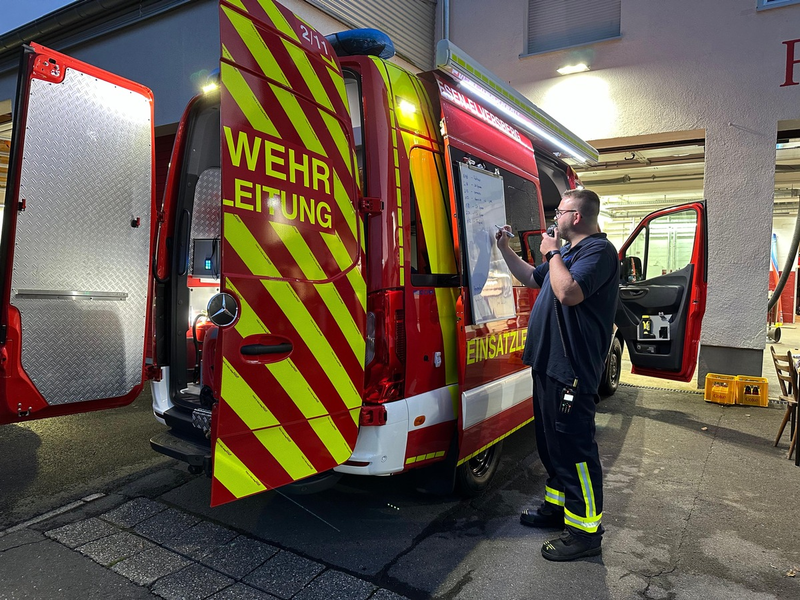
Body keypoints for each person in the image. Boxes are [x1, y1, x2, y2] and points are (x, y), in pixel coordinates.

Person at [495, 188, 619, 561]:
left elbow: (569, 293)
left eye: (560, 211)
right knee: (551, 446)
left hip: (572, 372)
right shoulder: (567, 254)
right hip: (548, 366)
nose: (555, 217)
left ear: (577, 217)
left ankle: (585, 533)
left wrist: (551, 252)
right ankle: (557, 510)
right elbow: (532, 279)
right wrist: (504, 248)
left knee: (575, 451)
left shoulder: (598, 252)